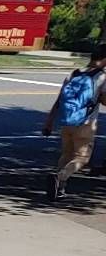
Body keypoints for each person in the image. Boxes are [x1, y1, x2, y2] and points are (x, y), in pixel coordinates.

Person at [42, 45, 106, 201]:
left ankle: (60, 189)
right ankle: (60, 177)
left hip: (67, 121)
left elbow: (59, 101)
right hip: (86, 123)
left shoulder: (74, 73)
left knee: (67, 154)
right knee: (82, 157)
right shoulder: (102, 77)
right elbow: (104, 101)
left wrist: (49, 122)